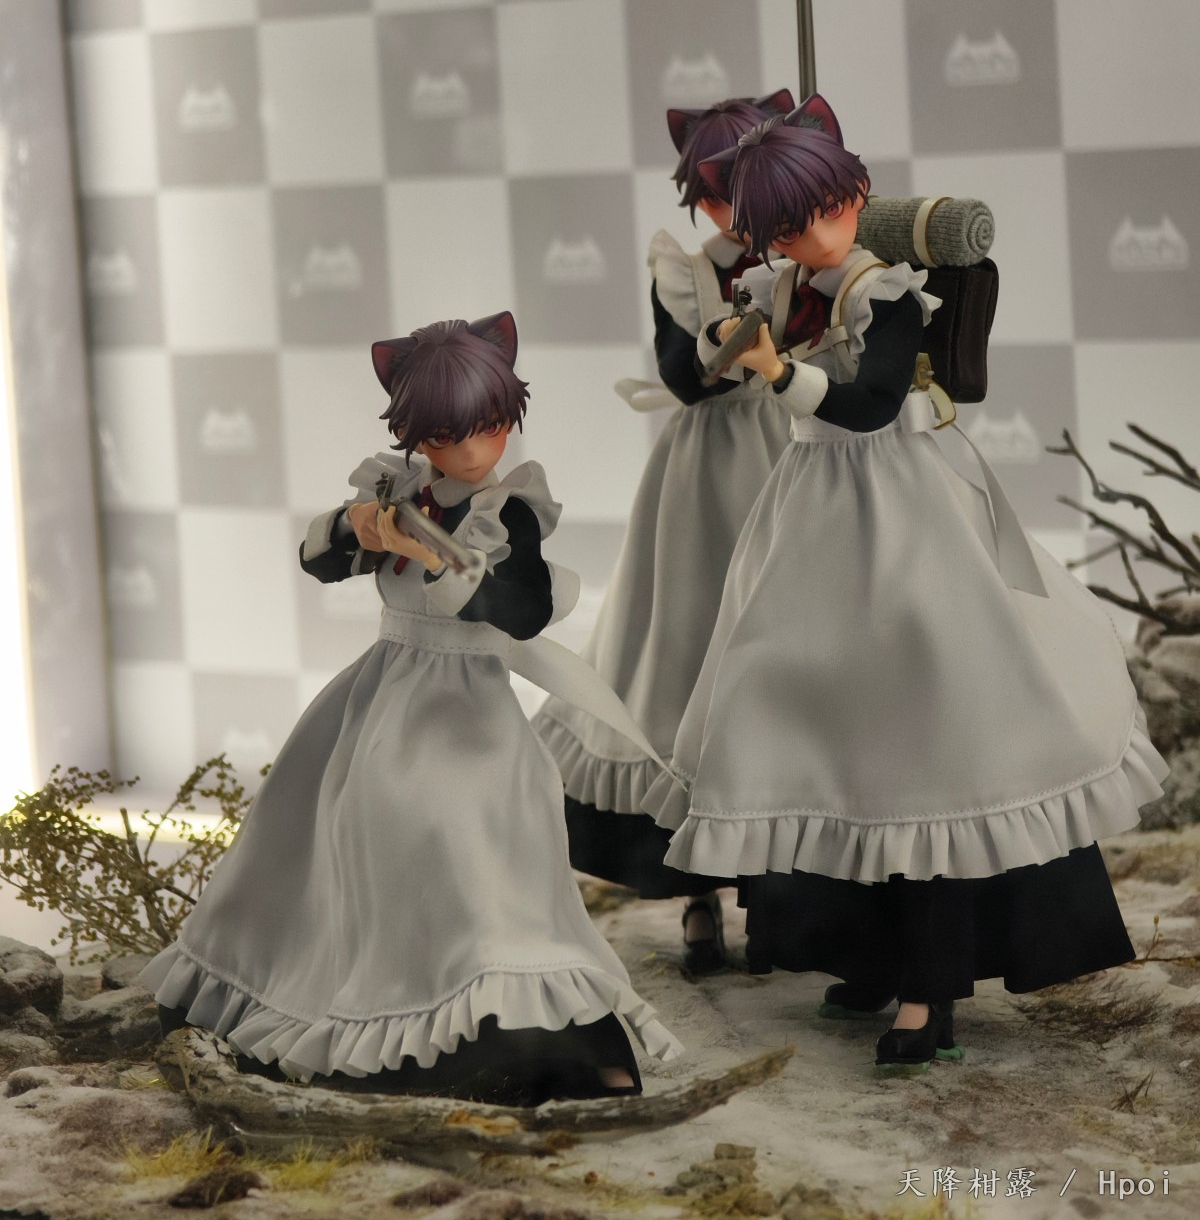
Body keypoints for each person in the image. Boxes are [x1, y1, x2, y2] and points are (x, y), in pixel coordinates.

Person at [642, 112, 1168, 1071]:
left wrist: (776, 370)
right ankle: (864, 952)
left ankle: (931, 987)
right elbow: (719, 369)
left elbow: (871, 402)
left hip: (898, 509)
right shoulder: (778, 285)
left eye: (821, 213)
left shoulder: (885, 291)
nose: (806, 238)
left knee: (923, 738)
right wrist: (730, 336)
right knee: (822, 732)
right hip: (809, 513)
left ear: (854, 198)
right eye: (782, 229)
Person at [143, 312, 680, 1103]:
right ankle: (332, 995)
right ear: (419, 435)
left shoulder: (509, 509)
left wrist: (445, 565)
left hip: (468, 715)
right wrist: (359, 527)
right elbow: (320, 559)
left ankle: (535, 1029)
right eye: (447, 434)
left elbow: (525, 609)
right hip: (382, 699)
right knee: (329, 826)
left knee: (470, 849)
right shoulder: (395, 491)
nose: (475, 449)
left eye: (491, 426)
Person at [534, 91, 795, 974]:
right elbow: (681, 374)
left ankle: (787, 890)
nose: (733, 213)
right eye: (718, 196)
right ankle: (696, 895)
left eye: (746, 192)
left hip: (793, 451)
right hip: (709, 471)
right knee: (684, 648)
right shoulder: (684, 271)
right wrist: (731, 344)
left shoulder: (805, 258)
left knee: (782, 652)